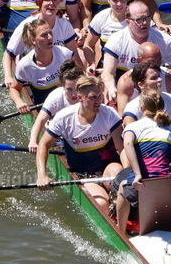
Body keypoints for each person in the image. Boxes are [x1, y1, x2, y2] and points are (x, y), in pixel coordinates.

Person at [36, 75, 125, 217]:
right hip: (83, 173)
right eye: (92, 97)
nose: (98, 102)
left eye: (99, 96)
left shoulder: (109, 114)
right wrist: (42, 175)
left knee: (119, 177)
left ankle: (119, 203)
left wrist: (129, 172)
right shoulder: (64, 118)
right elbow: (44, 145)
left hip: (108, 167)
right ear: (80, 98)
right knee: (102, 205)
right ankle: (111, 209)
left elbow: (122, 149)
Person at [112, 91, 171, 237]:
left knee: (123, 187)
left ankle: (121, 231)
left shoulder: (133, 127)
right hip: (167, 189)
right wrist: (165, 172)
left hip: (138, 187)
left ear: (141, 108)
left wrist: (137, 174)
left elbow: (128, 144)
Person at [101, 1, 171, 103]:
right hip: (127, 89)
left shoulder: (162, 39)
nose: (144, 23)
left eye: (147, 18)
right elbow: (107, 73)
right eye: (139, 20)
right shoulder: (116, 40)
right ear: (128, 22)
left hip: (154, 88)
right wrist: (111, 87)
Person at [2, 0, 84, 85]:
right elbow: (9, 53)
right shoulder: (28, 25)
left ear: (59, 5)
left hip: (56, 71)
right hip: (32, 73)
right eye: (47, 0)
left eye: (55, 1)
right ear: (40, 3)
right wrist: (8, 77)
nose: (51, 4)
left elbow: (74, 56)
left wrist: (83, 79)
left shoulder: (64, 24)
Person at [10, 20, 73, 111]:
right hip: (44, 109)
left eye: (50, 33)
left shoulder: (64, 53)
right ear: (33, 40)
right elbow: (14, 88)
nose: (50, 37)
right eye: (44, 35)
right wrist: (19, 102)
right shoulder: (24, 66)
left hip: (68, 104)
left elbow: (80, 75)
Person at [27, 59, 83, 152]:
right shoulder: (56, 96)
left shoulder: (90, 94)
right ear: (62, 86)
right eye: (69, 89)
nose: (74, 94)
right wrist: (33, 141)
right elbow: (40, 121)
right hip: (61, 133)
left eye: (77, 88)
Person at [83, 0, 129, 66]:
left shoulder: (137, 16)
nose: (119, 4)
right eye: (115, 0)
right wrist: (92, 64)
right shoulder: (101, 17)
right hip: (107, 66)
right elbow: (87, 45)